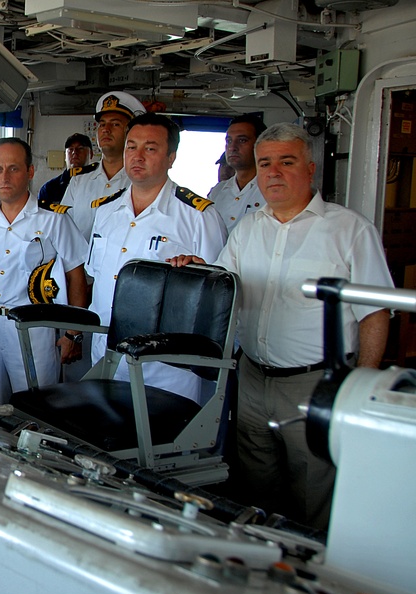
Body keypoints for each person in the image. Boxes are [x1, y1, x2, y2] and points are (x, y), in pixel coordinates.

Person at [170, 123, 392, 529]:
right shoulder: (250, 227)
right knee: (256, 484)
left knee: (312, 489)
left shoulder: (349, 230)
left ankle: (310, 575)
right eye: (265, 163)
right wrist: (198, 268)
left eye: (285, 162)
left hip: (314, 383)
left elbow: (375, 313)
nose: (273, 172)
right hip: (252, 377)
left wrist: (362, 385)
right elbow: (225, 283)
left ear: (310, 169)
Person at [86, 112, 227, 402]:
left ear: (171, 157)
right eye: (131, 146)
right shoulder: (105, 212)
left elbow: (218, 304)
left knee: (161, 443)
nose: (137, 156)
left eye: (150, 148)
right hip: (106, 353)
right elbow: (97, 276)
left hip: (164, 365)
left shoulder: (198, 217)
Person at [0, 138, 87, 406]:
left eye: (14, 168)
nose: (5, 176)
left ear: (29, 172)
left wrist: (73, 333)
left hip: (32, 327)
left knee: (36, 408)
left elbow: (76, 276)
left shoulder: (54, 220)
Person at [59, 91, 146, 240]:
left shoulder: (141, 181)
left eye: (115, 124)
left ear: (131, 132)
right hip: (81, 262)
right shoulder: (79, 181)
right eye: (102, 124)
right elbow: (63, 229)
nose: (106, 129)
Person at [208, 114, 266, 232]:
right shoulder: (217, 192)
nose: (232, 147)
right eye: (229, 141)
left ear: (260, 145)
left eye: (242, 140)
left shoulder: (272, 189)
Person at [37, 132, 92, 205]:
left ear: (91, 154)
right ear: (65, 156)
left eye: (80, 148)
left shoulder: (99, 184)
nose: (74, 153)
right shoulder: (49, 189)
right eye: (70, 149)